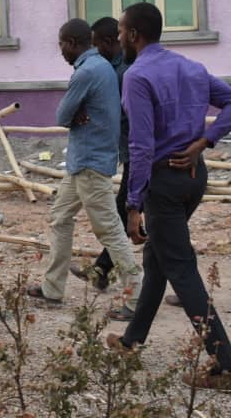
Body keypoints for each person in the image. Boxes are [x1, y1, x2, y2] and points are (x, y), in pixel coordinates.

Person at [107, 2, 231, 393]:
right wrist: (205, 141)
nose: (118, 36)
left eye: (121, 30)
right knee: (159, 260)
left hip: (163, 182)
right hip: (192, 178)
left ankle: (226, 366)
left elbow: (139, 144)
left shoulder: (136, 76)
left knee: (181, 267)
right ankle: (131, 340)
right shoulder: (192, 68)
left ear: (134, 34)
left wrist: (133, 204)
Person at [27, 19, 141, 320]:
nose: (61, 50)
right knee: (60, 217)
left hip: (90, 162)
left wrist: (76, 112)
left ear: (73, 43)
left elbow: (62, 115)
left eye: (62, 44)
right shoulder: (102, 67)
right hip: (82, 161)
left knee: (109, 229)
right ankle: (53, 287)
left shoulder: (87, 71)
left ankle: (137, 295)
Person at [69, 16, 132, 293]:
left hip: (136, 149)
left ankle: (128, 280)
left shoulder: (121, 71)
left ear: (108, 42)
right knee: (121, 209)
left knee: (123, 212)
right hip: (127, 149)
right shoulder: (110, 67)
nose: (91, 52)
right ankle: (102, 269)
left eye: (95, 45)